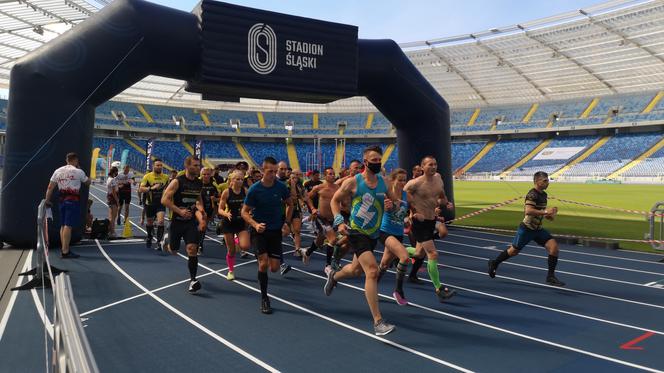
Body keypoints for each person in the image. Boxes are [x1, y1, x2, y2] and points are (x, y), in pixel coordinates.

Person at [324, 145, 396, 336]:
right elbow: (334, 201)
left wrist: (391, 205)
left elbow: (397, 204)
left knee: (356, 270)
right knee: (372, 271)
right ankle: (378, 322)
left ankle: (334, 276)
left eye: (379, 160)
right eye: (373, 160)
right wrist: (339, 221)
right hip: (356, 231)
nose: (377, 163)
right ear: (365, 162)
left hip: (373, 233)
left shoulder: (385, 183)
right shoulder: (352, 182)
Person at [488, 171, 565, 286]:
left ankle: (550, 276)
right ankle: (494, 263)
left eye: (548, 180)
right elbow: (528, 211)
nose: (547, 182)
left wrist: (550, 215)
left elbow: (541, 213)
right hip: (527, 229)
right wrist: (545, 211)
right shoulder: (532, 194)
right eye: (545, 180)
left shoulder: (544, 195)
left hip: (538, 229)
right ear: (537, 181)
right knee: (513, 251)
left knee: (554, 248)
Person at [241, 157, 294, 314]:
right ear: (263, 170)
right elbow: (244, 212)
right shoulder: (255, 189)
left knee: (274, 268)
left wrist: (287, 223)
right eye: (270, 171)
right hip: (260, 231)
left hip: (276, 231)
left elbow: (290, 204)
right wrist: (255, 224)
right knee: (263, 263)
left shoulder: (281, 187)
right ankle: (264, 298)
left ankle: (262, 275)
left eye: (275, 171)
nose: (273, 174)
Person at [404, 156, 457, 302]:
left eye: (435, 164)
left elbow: (441, 195)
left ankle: (399, 252)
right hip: (419, 223)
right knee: (433, 254)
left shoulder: (439, 178)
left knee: (418, 253)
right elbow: (400, 198)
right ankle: (439, 289)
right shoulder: (414, 183)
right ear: (422, 167)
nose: (433, 167)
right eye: (429, 165)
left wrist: (446, 203)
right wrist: (413, 213)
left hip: (432, 219)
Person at [161, 156, 207, 293]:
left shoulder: (199, 183)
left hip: (190, 222)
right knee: (173, 250)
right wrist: (179, 211)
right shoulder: (177, 181)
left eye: (199, 165)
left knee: (192, 249)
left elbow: (198, 199)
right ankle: (166, 240)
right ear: (187, 166)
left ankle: (193, 280)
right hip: (177, 221)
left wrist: (201, 209)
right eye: (195, 165)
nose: (198, 168)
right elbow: (164, 200)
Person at [45, 152, 90, 258]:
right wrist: (80, 170)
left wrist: (47, 199)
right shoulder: (78, 171)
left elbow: (50, 187)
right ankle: (65, 251)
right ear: (75, 160)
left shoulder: (58, 171)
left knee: (63, 225)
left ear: (67, 160)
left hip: (62, 200)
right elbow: (88, 182)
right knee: (68, 225)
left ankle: (64, 248)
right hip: (72, 200)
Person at [377, 168, 411, 306]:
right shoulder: (386, 193)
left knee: (384, 265)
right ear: (392, 180)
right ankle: (398, 291)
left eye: (404, 180)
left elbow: (409, 210)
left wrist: (410, 217)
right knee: (404, 257)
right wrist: (386, 208)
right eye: (400, 180)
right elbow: (378, 208)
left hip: (398, 233)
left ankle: (372, 286)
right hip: (385, 231)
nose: (403, 182)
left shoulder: (406, 195)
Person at [304, 167, 339, 272]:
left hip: (333, 218)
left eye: (333, 174)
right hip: (321, 217)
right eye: (330, 174)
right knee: (332, 239)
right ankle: (328, 266)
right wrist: (313, 208)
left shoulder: (338, 188)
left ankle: (307, 253)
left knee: (319, 240)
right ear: (325, 176)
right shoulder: (319, 187)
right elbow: (307, 197)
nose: (332, 175)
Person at [218, 170, 250, 280]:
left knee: (245, 246)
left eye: (242, 179)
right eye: (238, 179)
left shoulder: (245, 191)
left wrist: (249, 212)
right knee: (231, 250)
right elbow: (220, 209)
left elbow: (249, 205)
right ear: (232, 180)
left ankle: (237, 239)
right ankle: (231, 270)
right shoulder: (227, 192)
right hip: (228, 223)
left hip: (241, 222)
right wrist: (226, 213)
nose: (240, 181)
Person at [139, 159, 169, 250]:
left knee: (160, 222)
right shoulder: (147, 176)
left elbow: (168, 188)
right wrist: (152, 188)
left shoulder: (166, 177)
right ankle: (149, 236)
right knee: (149, 222)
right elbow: (141, 189)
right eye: (157, 165)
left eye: (161, 165)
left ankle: (159, 242)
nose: (159, 167)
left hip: (161, 203)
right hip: (150, 203)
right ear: (153, 166)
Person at [198, 167, 219, 255]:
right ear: (201, 174)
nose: (206, 176)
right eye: (204, 174)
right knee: (200, 225)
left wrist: (215, 199)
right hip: (197, 209)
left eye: (208, 174)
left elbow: (219, 198)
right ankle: (198, 245)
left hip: (209, 209)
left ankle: (200, 244)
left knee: (202, 228)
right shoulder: (197, 184)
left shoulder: (213, 186)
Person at [106, 167, 120, 238]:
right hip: (112, 198)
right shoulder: (113, 179)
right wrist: (117, 201)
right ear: (114, 172)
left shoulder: (109, 178)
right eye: (116, 172)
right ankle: (112, 232)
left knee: (111, 216)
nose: (117, 173)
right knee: (113, 217)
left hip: (109, 197)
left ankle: (110, 231)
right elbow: (114, 192)